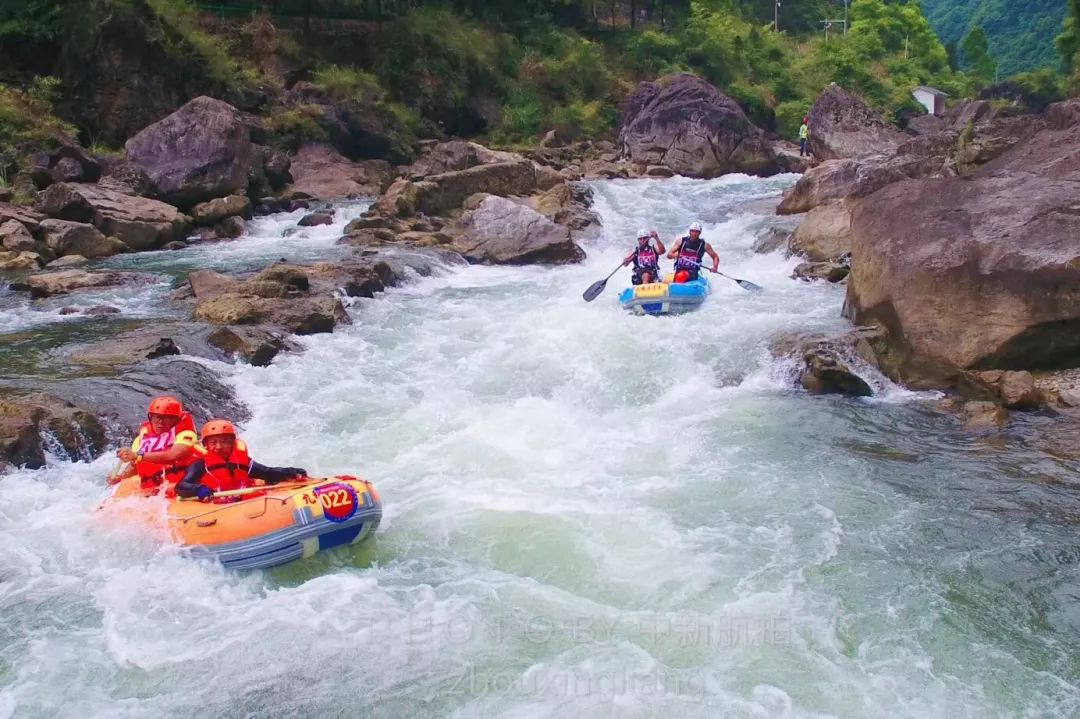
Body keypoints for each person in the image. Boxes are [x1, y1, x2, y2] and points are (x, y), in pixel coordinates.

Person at [175, 419, 308, 502]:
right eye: (213, 442)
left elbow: (267, 472)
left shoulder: (241, 461)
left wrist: (291, 472)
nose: (219, 447)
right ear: (206, 445)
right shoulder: (200, 464)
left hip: (242, 502)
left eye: (224, 442)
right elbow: (181, 486)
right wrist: (199, 489)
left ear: (232, 443)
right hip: (213, 506)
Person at [112, 396, 198, 489]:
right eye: (157, 417)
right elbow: (135, 466)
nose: (160, 422)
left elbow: (172, 455)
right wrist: (121, 478)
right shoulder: (141, 438)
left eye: (166, 418)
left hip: (180, 484)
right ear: (151, 417)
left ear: (175, 419)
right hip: (153, 487)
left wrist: (137, 455)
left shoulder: (186, 434)